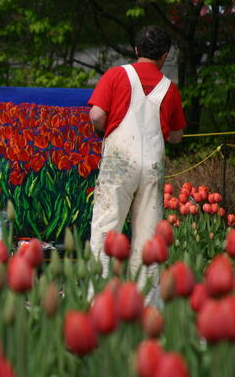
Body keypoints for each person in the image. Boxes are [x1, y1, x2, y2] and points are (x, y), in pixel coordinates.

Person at [87, 25, 186, 297]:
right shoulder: (170, 89)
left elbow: (96, 115)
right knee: (147, 238)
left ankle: (99, 304)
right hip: (152, 166)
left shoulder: (116, 75)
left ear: (136, 49)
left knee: (106, 230)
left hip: (119, 163)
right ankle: (144, 308)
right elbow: (177, 136)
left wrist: (102, 130)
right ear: (165, 56)